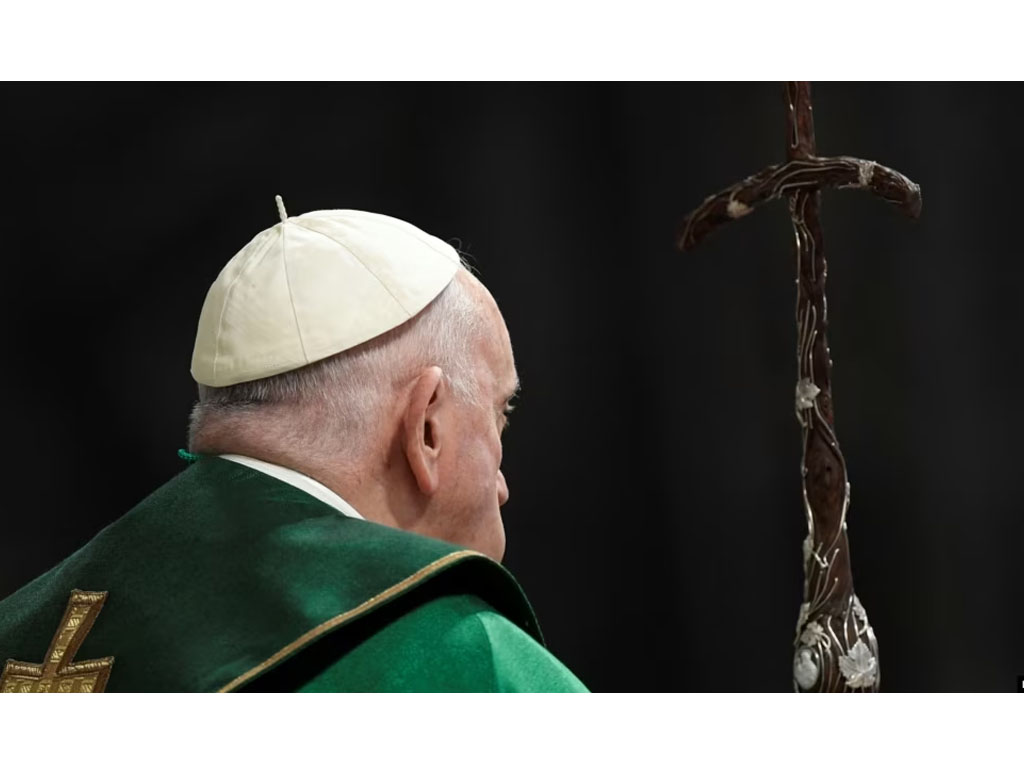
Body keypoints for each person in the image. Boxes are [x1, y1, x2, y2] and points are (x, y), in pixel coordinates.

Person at [0, 200, 587, 692]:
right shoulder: (463, 661)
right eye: (499, 414)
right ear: (426, 428)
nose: (502, 487)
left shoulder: (20, 630)